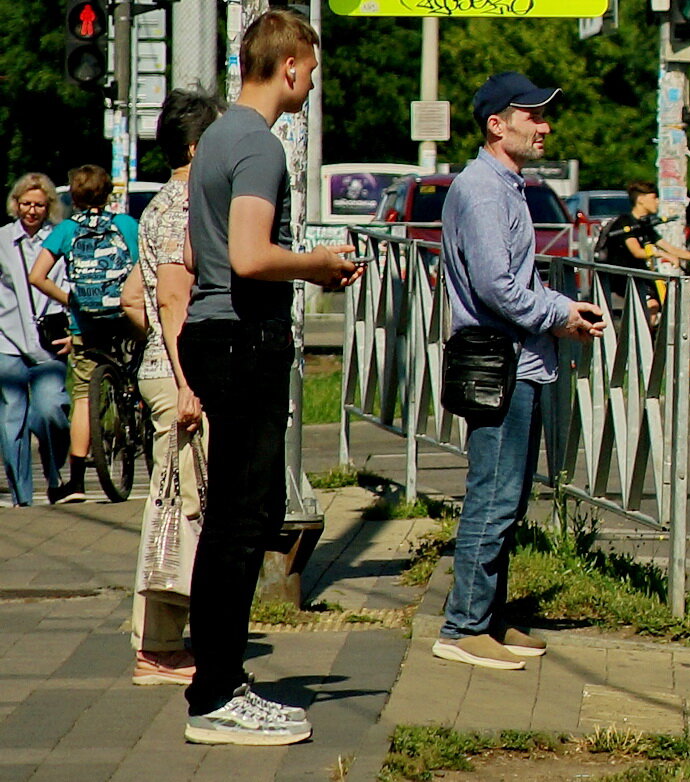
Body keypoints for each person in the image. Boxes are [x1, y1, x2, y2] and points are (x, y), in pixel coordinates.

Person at [176, 9, 358, 746]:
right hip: (242, 338)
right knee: (242, 521)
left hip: (212, 332)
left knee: (232, 517)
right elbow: (251, 257)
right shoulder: (259, 146)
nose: (311, 84)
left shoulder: (216, 136)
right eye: (309, 71)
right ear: (289, 66)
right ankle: (217, 691)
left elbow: (198, 249)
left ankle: (218, 679)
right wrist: (321, 263)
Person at [433, 72, 605, 671]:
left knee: (509, 496)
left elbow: (509, 283)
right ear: (497, 124)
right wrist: (560, 312)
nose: (545, 126)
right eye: (533, 116)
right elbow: (498, 288)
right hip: (500, 365)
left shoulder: (505, 186)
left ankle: (489, 616)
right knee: (495, 495)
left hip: (518, 361)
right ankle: (463, 627)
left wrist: (556, 320)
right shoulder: (483, 191)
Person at [118, 89, 224, 688]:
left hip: (160, 367)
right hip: (183, 378)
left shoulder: (155, 207)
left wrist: (159, 342)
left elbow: (138, 298)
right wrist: (186, 379)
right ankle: (157, 649)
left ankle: (162, 642)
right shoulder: (187, 206)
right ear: (195, 146)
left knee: (175, 501)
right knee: (179, 508)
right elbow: (172, 297)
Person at [29, 165, 139, 498]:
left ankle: (76, 482)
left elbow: (37, 276)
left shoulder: (64, 230)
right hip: (126, 316)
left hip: (86, 322)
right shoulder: (125, 225)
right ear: (108, 194)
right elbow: (142, 269)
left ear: (72, 197)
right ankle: (138, 409)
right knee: (143, 368)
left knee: (82, 396)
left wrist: (73, 301)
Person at [0, 173, 71, 506]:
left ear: (49, 207)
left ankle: (54, 470)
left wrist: (74, 331)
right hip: (7, 340)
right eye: (26, 203)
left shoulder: (59, 239)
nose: (31, 210)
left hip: (49, 341)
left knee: (49, 411)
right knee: (11, 420)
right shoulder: (1, 239)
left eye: (39, 205)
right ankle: (22, 498)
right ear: (16, 204)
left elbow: (72, 285)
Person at [601, 180, 690, 318]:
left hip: (640, 276)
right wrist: (662, 255)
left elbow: (671, 249)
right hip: (622, 276)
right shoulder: (625, 223)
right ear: (641, 199)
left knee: (659, 306)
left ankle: (648, 337)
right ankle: (639, 338)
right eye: (654, 197)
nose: (658, 201)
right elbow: (637, 252)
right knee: (652, 305)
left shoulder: (645, 226)